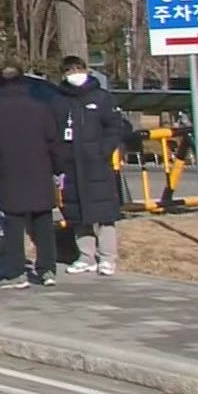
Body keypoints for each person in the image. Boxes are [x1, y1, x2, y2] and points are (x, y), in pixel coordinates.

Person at [0, 66, 63, 289]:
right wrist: (58, 169)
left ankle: (16, 273)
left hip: (8, 173)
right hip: (40, 170)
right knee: (43, 221)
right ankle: (47, 270)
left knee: (13, 223)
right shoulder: (41, 108)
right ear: (24, 83)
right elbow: (54, 142)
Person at [55, 55, 128, 275]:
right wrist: (59, 157)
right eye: (69, 71)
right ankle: (86, 256)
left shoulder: (102, 98)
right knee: (77, 214)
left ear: (86, 71)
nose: (75, 74)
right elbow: (53, 131)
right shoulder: (58, 101)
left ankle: (107, 257)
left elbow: (115, 127)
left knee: (104, 214)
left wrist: (103, 151)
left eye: (78, 69)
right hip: (71, 165)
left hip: (97, 165)